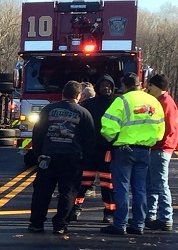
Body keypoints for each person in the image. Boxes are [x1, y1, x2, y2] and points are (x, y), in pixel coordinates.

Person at [100, 73, 165, 235]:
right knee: (140, 188)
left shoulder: (122, 101)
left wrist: (112, 140)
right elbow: (160, 131)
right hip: (145, 150)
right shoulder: (153, 102)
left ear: (124, 86)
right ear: (139, 84)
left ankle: (120, 224)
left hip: (124, 149)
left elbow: (108, 126)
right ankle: (138, 225)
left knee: (121, 188)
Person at [28, 81, 95, 235]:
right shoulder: (83, 113)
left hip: (48, 157)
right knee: (68, 192)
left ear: (63, 93)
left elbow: (37, 134)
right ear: (78, 95)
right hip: (72, 158)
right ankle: (60, 224)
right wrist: (83, 159)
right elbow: (90, 139)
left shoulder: (48, 110)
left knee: (42, 191)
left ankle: (36, 223)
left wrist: (39, 154)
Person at [69, 75, 117, 223]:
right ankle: (75, 209)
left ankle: (109, 213)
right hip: (89, 151)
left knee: (108, 185)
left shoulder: (118, 104)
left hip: (108, 152)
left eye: (109, 85)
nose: (106, 88)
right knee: (83, 182)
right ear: (98, 88)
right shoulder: (88, 105)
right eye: (103, 85)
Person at [144, 74, 176, 231]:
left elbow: (168, 127)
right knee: (152, 183)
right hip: (158, 148)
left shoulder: (165, 103)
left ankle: (165, 217)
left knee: (160, 184)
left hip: (161, 148)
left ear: (156, 86)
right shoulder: (162, 102)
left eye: (150, 85)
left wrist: (154, 139)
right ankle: (150, 215)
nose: (149, 88)